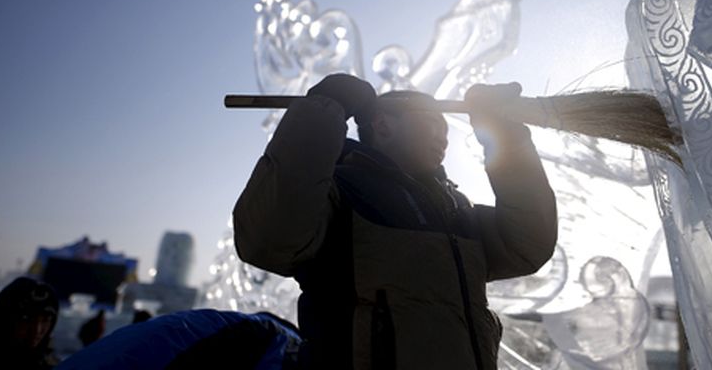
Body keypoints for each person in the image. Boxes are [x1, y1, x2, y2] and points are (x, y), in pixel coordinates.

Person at [233, 73, 558, 370]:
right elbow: (268, 240)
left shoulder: (458, 209)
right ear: (383, 124)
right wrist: (323, 109)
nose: (444, 138)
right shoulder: (339, 193)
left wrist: (504, 137)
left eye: (446, 128)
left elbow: (528, 243)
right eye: (433, 123)